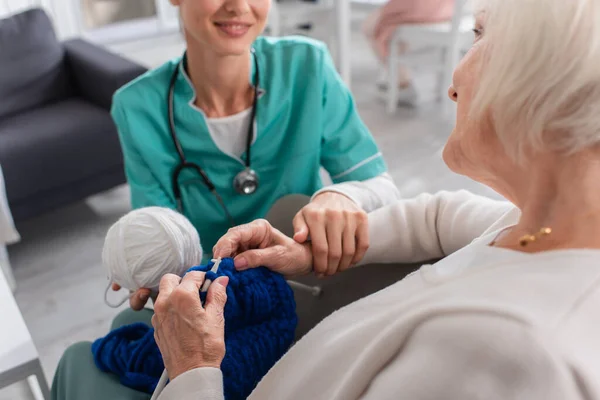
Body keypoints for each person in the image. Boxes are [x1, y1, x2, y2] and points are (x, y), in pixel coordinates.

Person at [52, 0, 600, 398]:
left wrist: (338, 196)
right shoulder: (531, 222)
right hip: (238, 279)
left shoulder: (512, 354)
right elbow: (441, 217)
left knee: (85, 362)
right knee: (120, 335)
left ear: (538, 83)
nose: (453, 81)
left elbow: (375, 180)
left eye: (478, 38)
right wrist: (303, 249)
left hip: (255, 331)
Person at [108, 0, 400, 308]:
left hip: (312, 279)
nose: (238, 6)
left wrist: (344, 196)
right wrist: (148, 268)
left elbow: (384, 191)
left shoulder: (306, 65)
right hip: (215, 299)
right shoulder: (136, 108)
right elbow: (157, 236)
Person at [362, 0, 455, 103]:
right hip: (449, 8)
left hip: (421, 6)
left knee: (371, 25)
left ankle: (402, 82)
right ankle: (401, 79)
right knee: (391, 27)